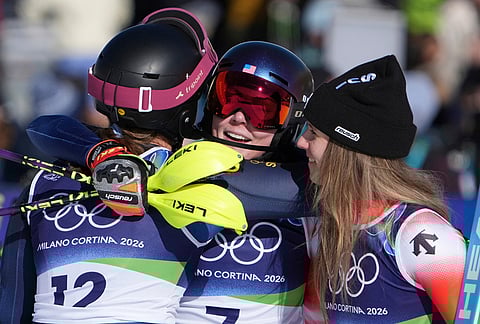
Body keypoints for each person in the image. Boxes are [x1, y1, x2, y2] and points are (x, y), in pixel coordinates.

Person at [24, 40, 315, 323]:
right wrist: (102, 154)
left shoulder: (306, 185)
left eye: (261, 111)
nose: (238, 119)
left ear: (292, 120)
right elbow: (45, 126)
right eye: (226, 100)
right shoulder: (176, 165)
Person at [0, 8, 248, 324]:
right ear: (187, 109)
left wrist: (99, 152)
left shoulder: (45, 182)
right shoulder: (208, 179)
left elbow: (13, 304)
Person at [297, 54, 467, 323]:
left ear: (347, 150)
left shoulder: (418, 233)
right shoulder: (329, 222)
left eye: (314, 134)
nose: (301, 143)